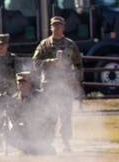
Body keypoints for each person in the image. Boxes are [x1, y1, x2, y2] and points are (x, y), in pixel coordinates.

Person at [32, 16, 83, 152]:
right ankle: (47, 142)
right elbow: (36, 62)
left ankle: (66, 142)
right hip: (49, 84)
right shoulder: (44, 44)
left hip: (65, 85)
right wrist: (50, 62)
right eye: (54, 25)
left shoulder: (70, 44)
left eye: (59, 25)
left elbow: (78, 64)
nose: (57, 28)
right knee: (49, 114)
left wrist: (76, 78)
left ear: (63, 27)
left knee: (65, 115)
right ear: (51, 27)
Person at [8, 71, 53, 155]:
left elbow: (50, 115)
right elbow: (11, 115)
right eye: (19, 82)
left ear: (30, 83)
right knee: (9, 129)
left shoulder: (41, 97)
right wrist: (14, 125)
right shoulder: (14, 98)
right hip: (23, 128)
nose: (21, 84)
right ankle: (24, 148)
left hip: (39, 128)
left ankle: (42, 146)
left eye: (24, 82)